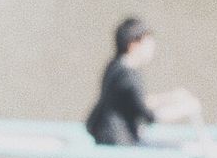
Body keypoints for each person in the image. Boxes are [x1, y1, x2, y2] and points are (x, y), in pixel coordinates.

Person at [85, 17, 201, 146]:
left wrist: (171, 97)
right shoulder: (128, 76)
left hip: (104, 135)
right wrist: (185, 109)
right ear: (133, 45)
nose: (152, 48)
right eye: (148, 44)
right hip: (117, 141)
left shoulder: (115, 65)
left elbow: (136, 102)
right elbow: (149, 117)